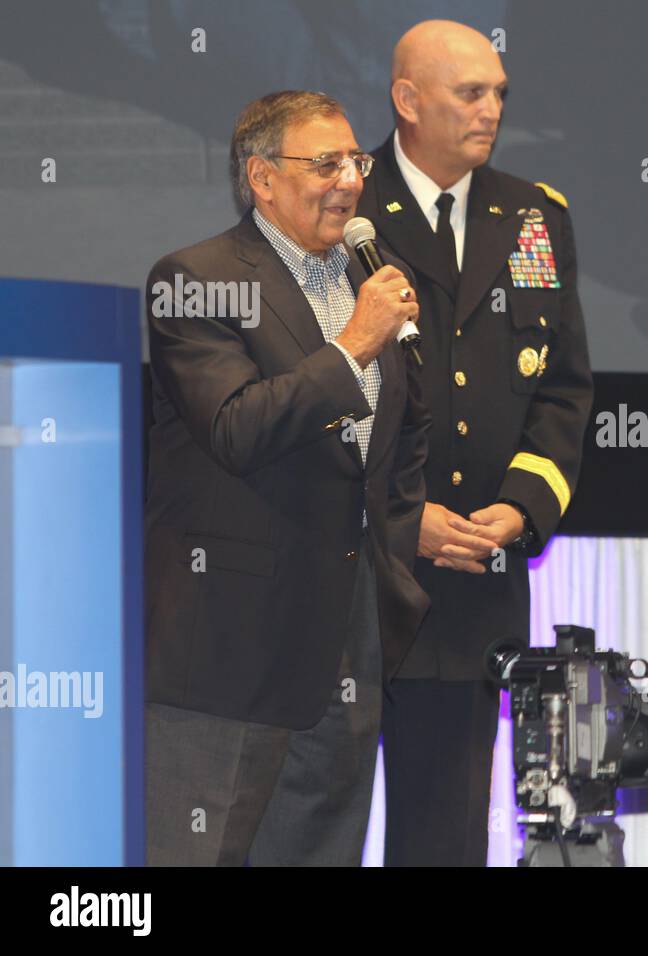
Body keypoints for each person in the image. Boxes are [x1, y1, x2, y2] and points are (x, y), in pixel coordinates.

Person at [145, 90, 431, 865]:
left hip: (351, 635)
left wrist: (393, 561)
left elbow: (404, 442)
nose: (349, 179)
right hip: (233, 643)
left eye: (356, 161)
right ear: (261, 178)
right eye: (324, 163)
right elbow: (237, 427)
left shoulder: (371, 279)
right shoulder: (195, 280)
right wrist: (351, 347)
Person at [356, 21, 594, 866]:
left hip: (469, 593)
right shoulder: (344, 207)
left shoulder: (533, 216)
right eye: (470, 93)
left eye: (499, 93)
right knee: (308, 831)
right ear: (408, 100)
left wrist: (518, 509)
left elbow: (563, 389)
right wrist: (397, 514)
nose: (491, 109)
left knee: (446, 841)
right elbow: (307, 392)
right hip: (349, 578)